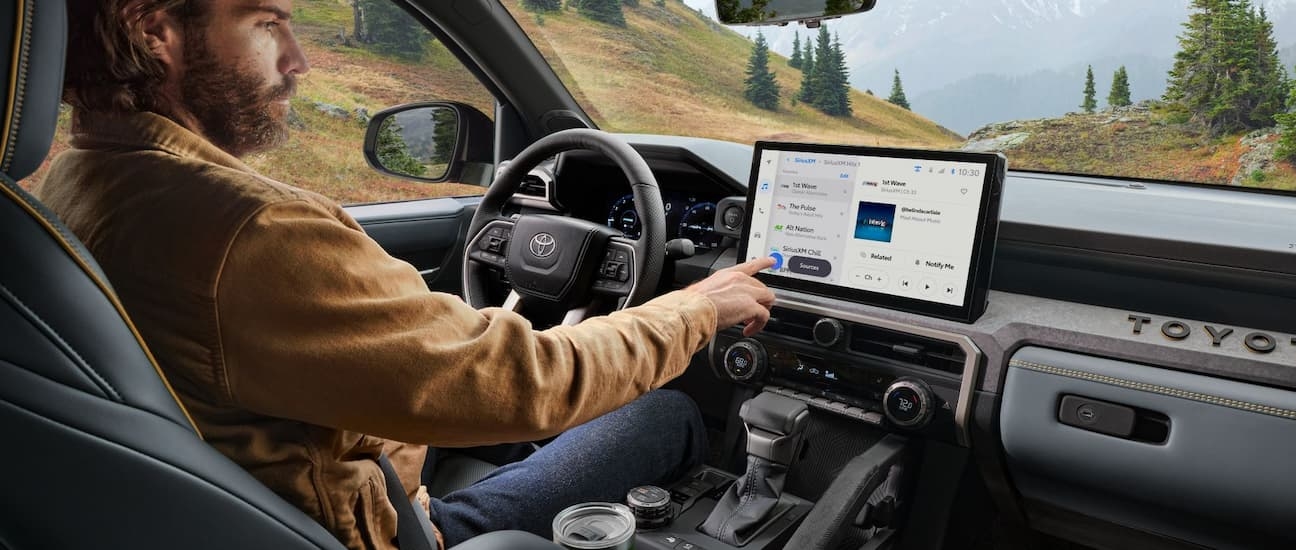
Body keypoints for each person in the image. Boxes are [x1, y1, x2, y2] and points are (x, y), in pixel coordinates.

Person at [37, 0, 777, 548]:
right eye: (266, 23)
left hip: (269, 502)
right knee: (666, 413)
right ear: (153, 29)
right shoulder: (251, 232)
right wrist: (696, 307)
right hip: (398, 533)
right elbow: (530, 382)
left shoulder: (77, 180)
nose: (297, 60)